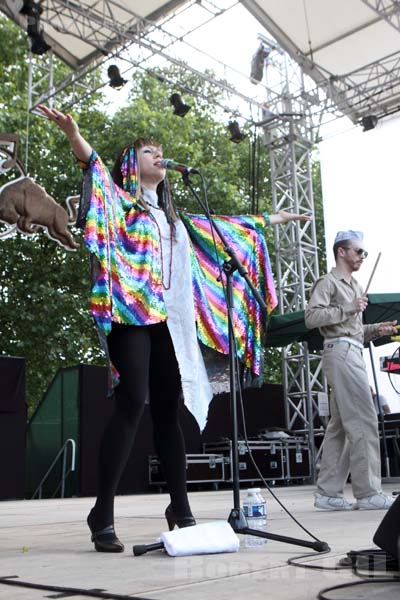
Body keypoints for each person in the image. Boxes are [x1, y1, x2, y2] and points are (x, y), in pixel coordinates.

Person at [38, 103, 311, 552]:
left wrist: (275, 220)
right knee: (132, 402)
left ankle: (180, 507)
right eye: (149, 151)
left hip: (169, 321)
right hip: (131, 315)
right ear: (133, 164)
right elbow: (96, 171)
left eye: (161, 151)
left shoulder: (176, 220)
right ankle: (101, 510)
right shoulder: (123, 206)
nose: (158, 156)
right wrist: (74, 135)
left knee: (169, 410)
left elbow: (225, 229)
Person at [305, 230, 397, 511]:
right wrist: (348, 307)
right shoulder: (329, 282)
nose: (362, 257)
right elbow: (312, 318)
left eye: (364, 253)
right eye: (358, 251)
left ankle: (328, 494)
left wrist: (376, 330)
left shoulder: (356, 286)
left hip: (350, 349)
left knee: (341, 426)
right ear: (341, 251)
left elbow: (353, 330)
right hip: (341, 352)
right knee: (363, 419)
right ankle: (368, 493)